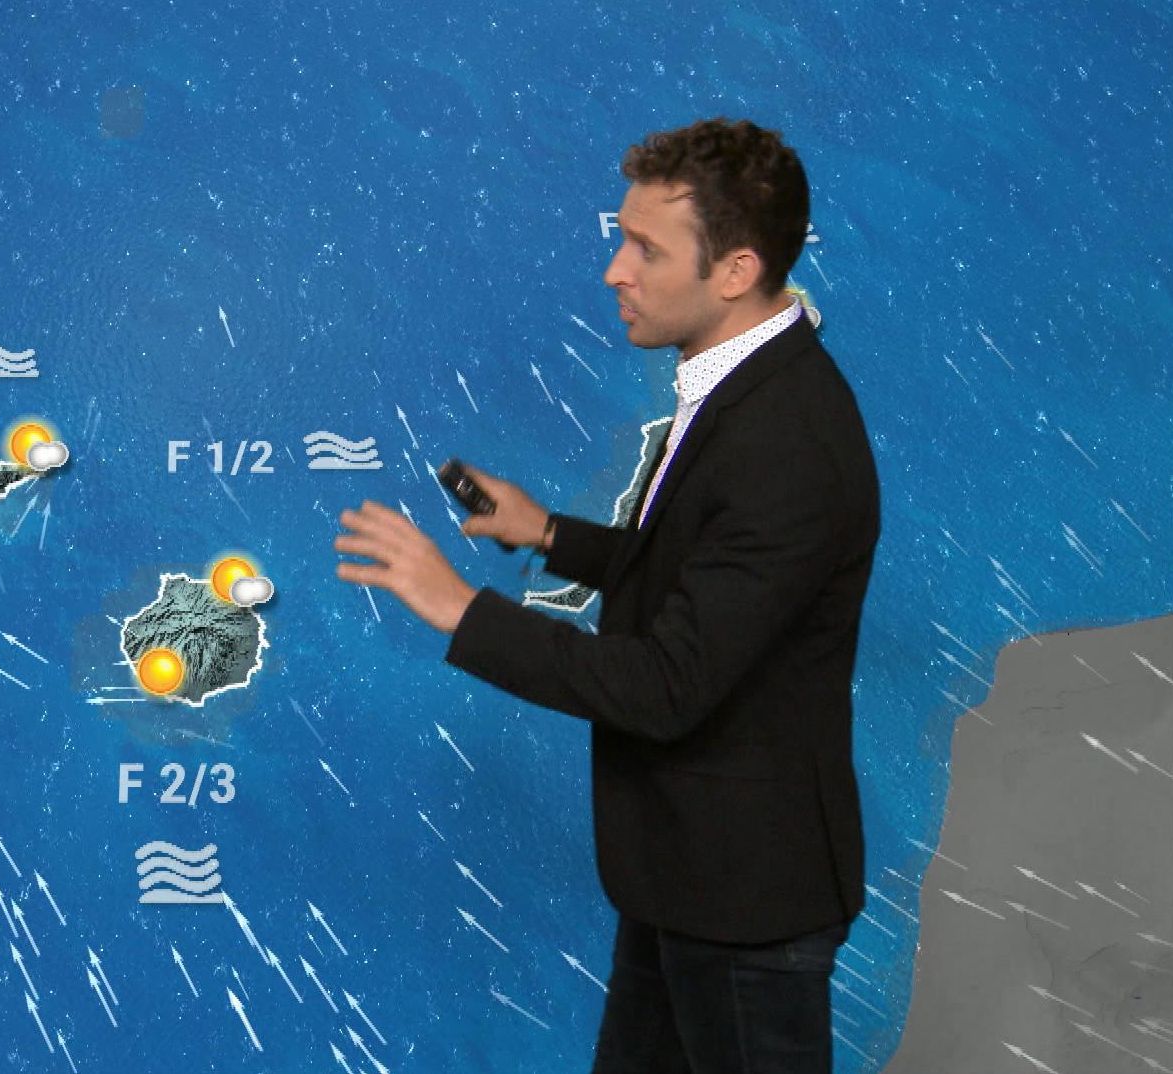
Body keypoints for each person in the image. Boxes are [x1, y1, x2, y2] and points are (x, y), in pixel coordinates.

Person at [334, 117, 880, 1073]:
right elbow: (706, 571)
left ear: (736, 270)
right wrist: (551, 534)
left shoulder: (786, 441)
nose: (613, 271)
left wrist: (460, 608)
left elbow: (666, 685)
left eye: (645, 249)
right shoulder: (741, 385)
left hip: (744, 905)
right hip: (685, 879)